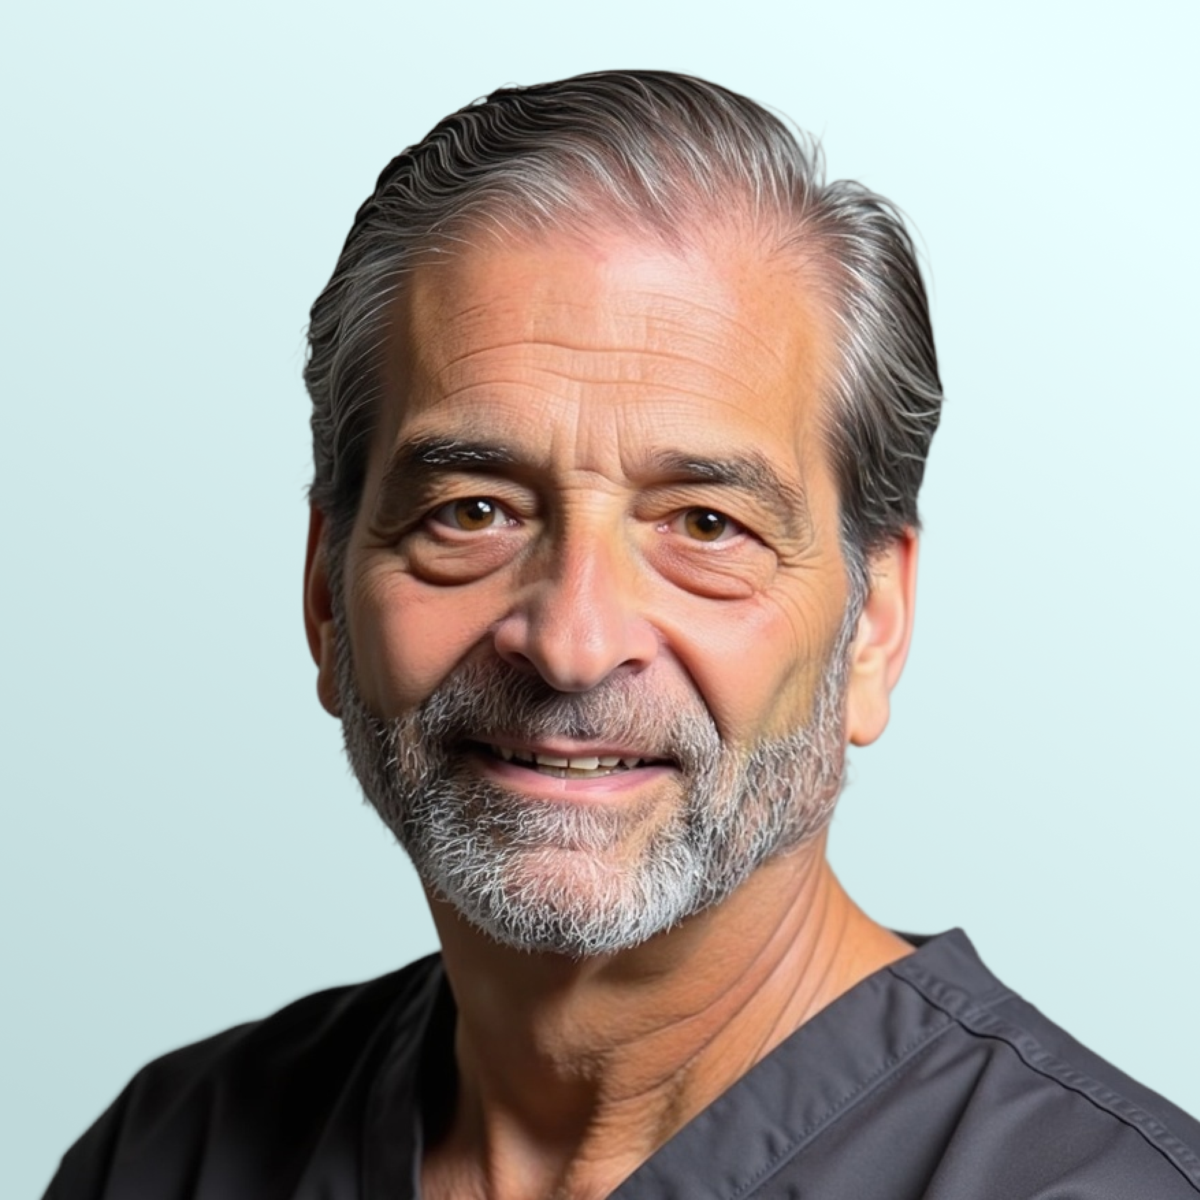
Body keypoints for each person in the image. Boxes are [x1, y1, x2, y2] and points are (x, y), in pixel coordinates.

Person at [45, 70, 1200, 1200]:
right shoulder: (164, 1154)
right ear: (325, 594)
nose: (573, 643)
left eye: (708, 524)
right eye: (474, 513)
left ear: (871, 628)